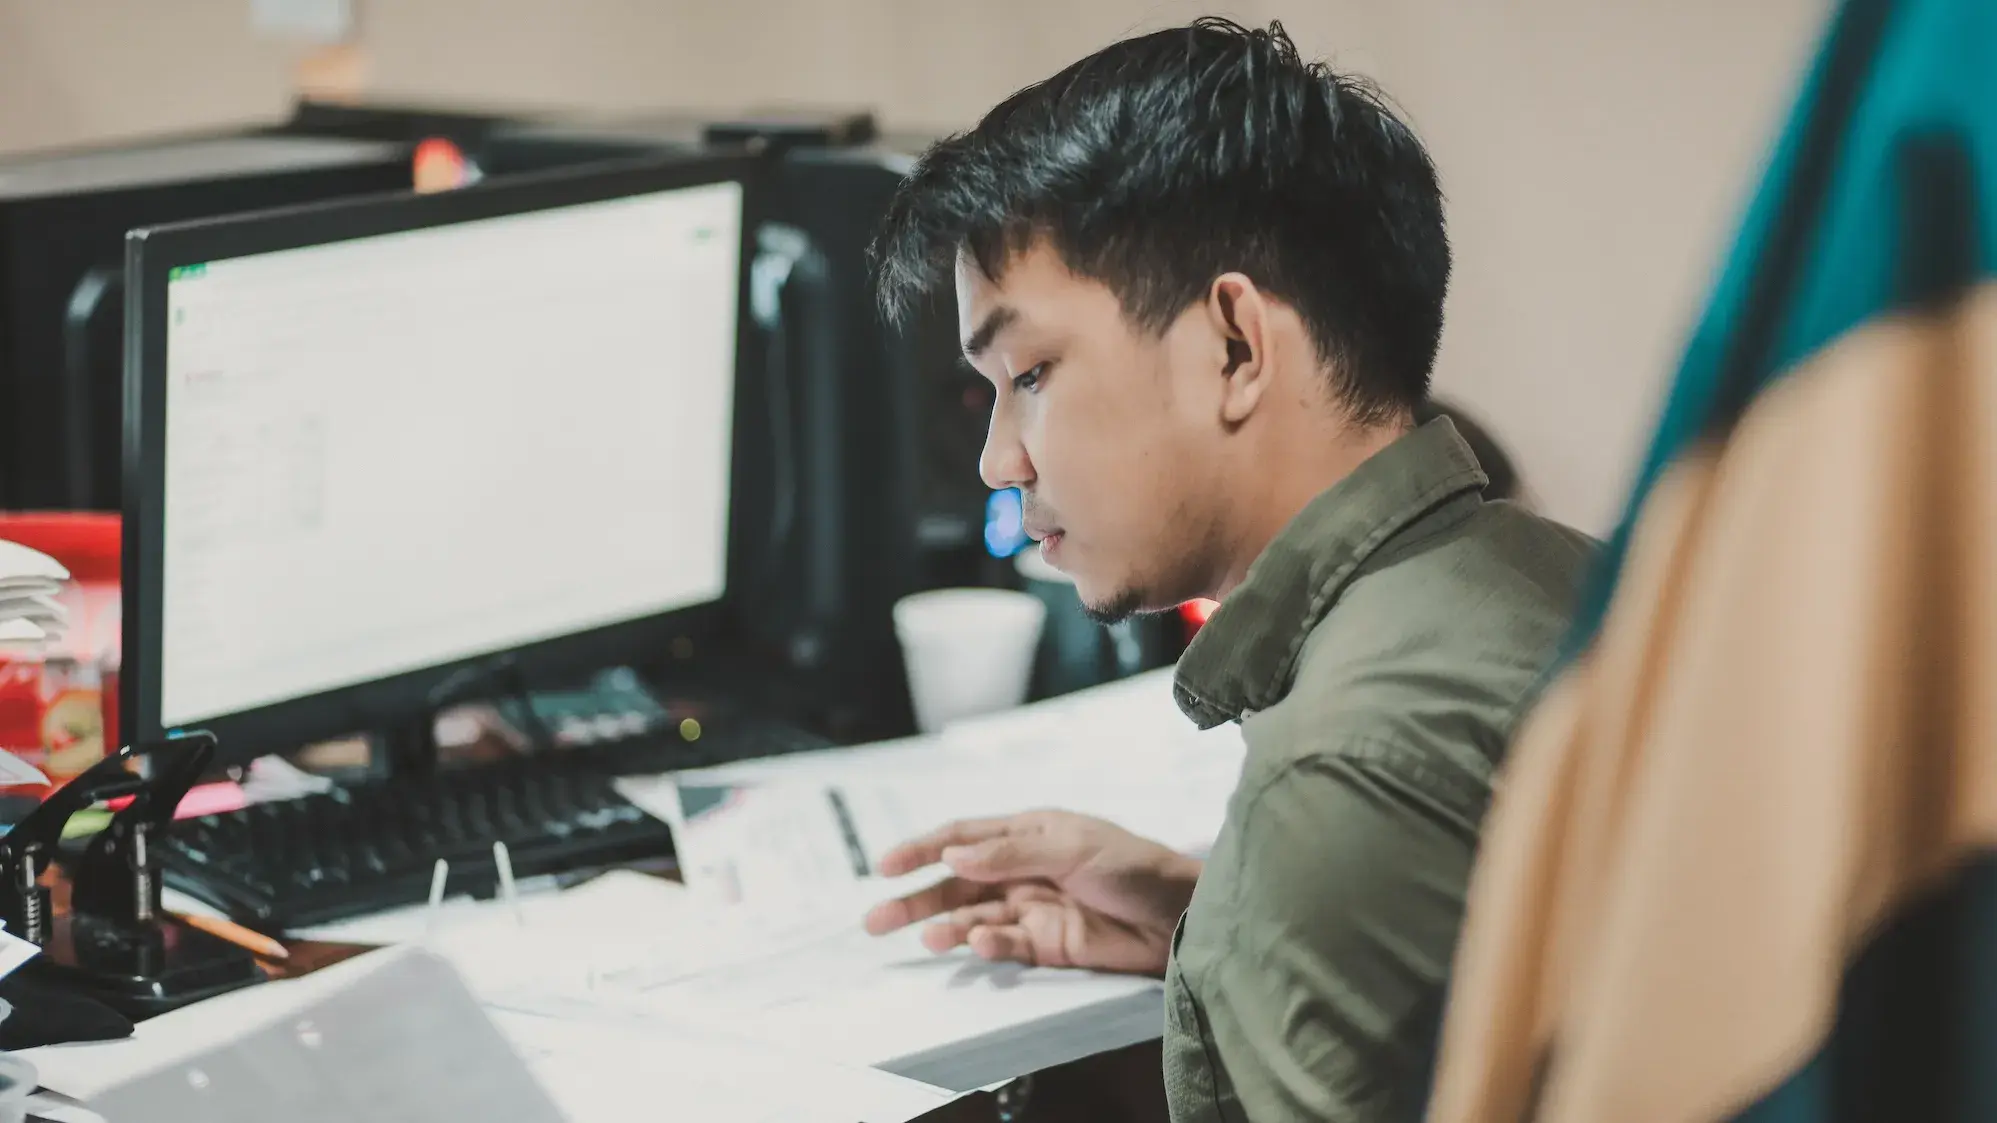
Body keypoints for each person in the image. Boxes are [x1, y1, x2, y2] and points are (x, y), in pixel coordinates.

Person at [862, 18, 1597, 1123]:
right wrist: (1206, 918)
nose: (997, 459)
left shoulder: (1341, 763)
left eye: (1030, 373)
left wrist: (1274, 891)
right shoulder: (1567, 578)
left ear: (1234, 348)